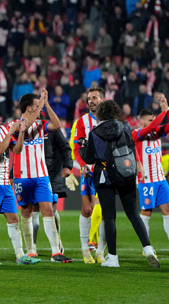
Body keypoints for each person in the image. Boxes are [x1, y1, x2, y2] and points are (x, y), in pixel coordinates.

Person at [79, 100, 160, 268]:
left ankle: (113, 258)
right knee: (134, 214)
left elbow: (89, 158)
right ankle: (148, 248)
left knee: (109, 218)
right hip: (126, 173)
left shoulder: (95, 133)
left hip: (105, 176)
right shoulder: (125, 127)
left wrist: (83, 147)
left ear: (100, 114)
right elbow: (131, 147)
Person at [8, 89, 71, 263]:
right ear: (28, 108)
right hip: (23, 176)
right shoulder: (14, 125)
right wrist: (40, 105)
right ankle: (31, 250)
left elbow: (57, 124)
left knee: (48, 210)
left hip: (42, 176)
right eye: (37, 107)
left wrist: (47, 103)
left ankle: (55, 252)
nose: (40, 110)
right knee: (26, 212)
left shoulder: (41, 124)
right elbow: (24, 125)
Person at [0, 100, 39, 266]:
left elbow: (16, 150)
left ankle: (20, 255)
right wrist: (12, 130)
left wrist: (20, 134)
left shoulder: (4, 129)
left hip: (5, 182)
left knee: (13, 219)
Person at [134, 97, 169, 258]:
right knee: (146, 213)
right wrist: (163, 111)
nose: (154, 123)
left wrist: (167, 108)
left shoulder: (157, 133)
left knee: (168, 209)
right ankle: (146, 247)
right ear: (141, 121)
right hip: (146, 181)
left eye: (154, 119)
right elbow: (152, 126)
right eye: (150, 120)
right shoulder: (136, 134)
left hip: (160, 179)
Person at [31, 112, 74, 258]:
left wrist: (68, 165)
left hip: (52, 173)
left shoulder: (51, 130)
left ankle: (56, 244)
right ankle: (32, 247)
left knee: (51, 209)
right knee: (33, 211)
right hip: (33, 174)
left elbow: (65, 147)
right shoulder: (25, 130)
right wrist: (13, 174)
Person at [72, 86, 104, 264]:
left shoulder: (110, 121)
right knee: (87, 210)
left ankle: (100, 251)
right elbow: (77, 148)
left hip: (106, 171)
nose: (91, 100)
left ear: (102, 100)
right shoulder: (82, 122)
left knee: (104, 210)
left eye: (95, 97)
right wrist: (83, 164)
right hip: (89, 171)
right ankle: (85, 250)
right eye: (89, 98)